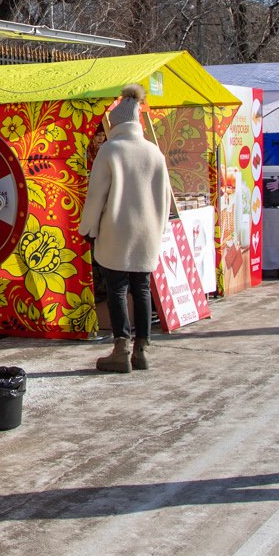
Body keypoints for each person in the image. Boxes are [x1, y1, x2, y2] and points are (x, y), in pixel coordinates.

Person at [80, 84, 174, 373]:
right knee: (142, 288)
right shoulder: (154, 153)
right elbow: (165, 196)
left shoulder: (110, 150)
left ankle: (120, 348)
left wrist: (88, 229)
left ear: (117, 122)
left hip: (116, 229)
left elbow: (96, 196)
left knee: (117, 288)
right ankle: (142, 349)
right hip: (147, 231)